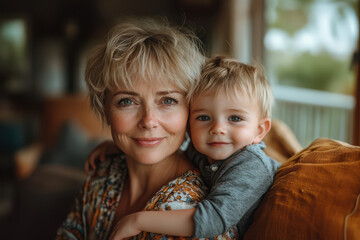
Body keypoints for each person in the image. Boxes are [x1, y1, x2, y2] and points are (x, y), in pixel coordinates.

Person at [55, 19, 238, 240]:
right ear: (105, 109)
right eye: (127, 102)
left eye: (168, 101)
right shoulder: (103, 173)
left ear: (191, 110)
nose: (148, 121)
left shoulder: (195, 213)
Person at [87, 56, 281, 239]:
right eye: (204, 117)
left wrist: (138, 220)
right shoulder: (206, 152)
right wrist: (121, 145)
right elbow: (165, 141)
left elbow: (214, 219)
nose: (217, 129)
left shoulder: (251, 166)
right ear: (189, 123)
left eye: (235, 118)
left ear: (260, 130)